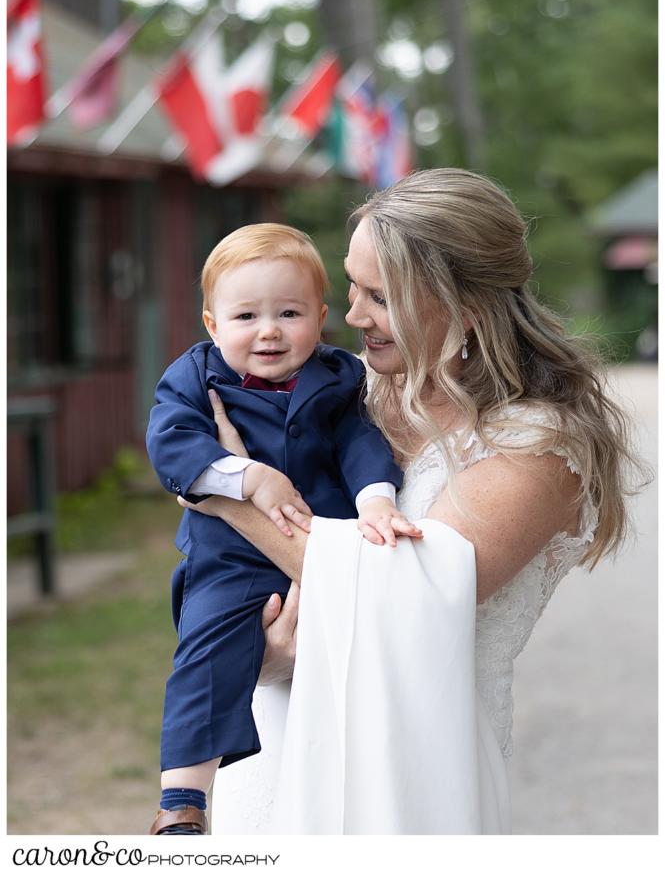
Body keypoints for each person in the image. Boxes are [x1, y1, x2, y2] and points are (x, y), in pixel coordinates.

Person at [179, 169, 639, 834]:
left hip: (416, 773)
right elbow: (221, 563)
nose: (353, 315)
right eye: (351, 286)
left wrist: (226, 494)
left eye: (380, 296)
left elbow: (403, 593)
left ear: (467, 303)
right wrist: (251, 652)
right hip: (274, 735)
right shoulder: (341, 391)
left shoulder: (534, 444)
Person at [146, 223, 419, 835]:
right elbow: (170, 444)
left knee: (344, 691)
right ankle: (183, 797)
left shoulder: (339, 376)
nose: (268, 330)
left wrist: (376, 499)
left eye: (289, 313)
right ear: (213, 325)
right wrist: (245, 478)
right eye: (246, 316)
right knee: (208, 653)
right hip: (232, 558)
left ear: (319, 318)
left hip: (325, 544)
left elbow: (360, 442)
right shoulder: (195, 376)